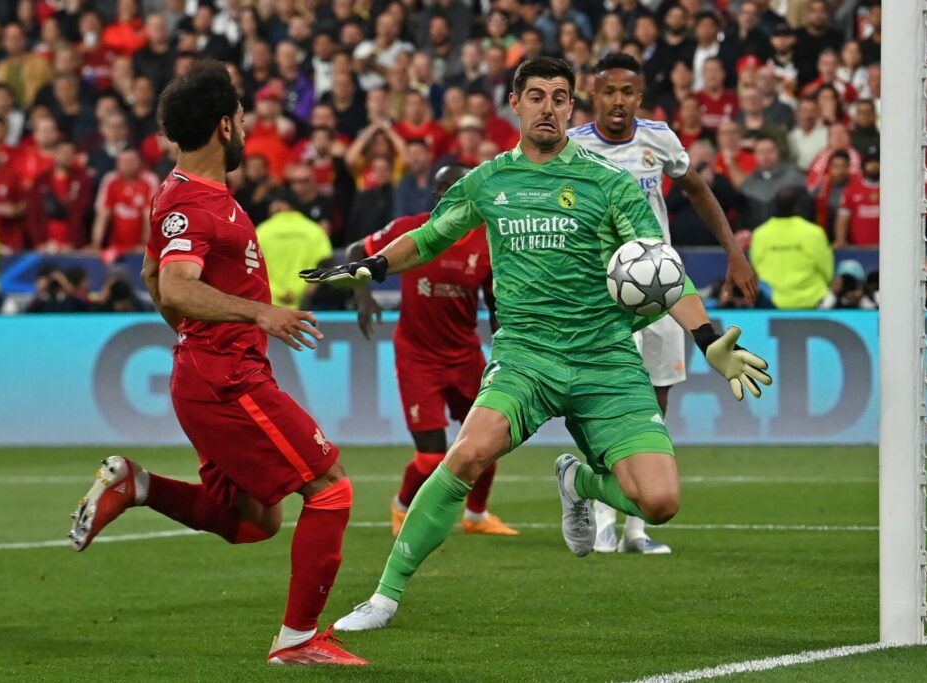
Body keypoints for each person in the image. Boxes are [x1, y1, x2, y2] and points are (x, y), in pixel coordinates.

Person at [301, 57, 772, 631]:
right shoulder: (488, 180)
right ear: (516, 104)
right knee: (465, 455)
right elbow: (427, 238)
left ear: (572, 107)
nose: (548, 107)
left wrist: (708, 340)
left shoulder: (609, 183)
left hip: (605, 358)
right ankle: (384, 597)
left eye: (559, 97)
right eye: (536, 96)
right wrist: (374, 266)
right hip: (525, 358)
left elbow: (661, 269)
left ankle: (579, 480)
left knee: (660, 503)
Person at [67, 61, 366, 667]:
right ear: (225, 125)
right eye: (243, 119)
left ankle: (138, 485)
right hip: (226, 378)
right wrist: (255, 315)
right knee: (330, 489)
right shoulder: (194, 202)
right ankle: (298, 641)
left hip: (211, 372)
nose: (248, 129)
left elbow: (152, 275)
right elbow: (176, 285)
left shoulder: (180, 193)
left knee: (255, 521)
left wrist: (192, 335)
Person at [567, 52, 758, 554]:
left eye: (627, 92)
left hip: (662, 290)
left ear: (640, 96)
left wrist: (733, 253)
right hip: (602, 296)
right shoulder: (573, 147)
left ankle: (635, 528)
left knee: (657, 399)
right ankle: (604, 515)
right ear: (594, 94)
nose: (618, 100)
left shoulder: (660, 139)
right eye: (609, 91)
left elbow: (698, 190)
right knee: (605, 402)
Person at [346, 165, 518, 537]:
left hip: (465, 354)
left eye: (458, 188)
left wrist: (507, 349)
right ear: (436, 194)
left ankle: (476, 516)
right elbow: (358, 250)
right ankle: (401, 506)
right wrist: (362, 294)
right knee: (430, 457)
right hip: (418, 357)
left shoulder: (487, 239)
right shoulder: (410, 229)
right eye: (443, 188)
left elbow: (495, 303)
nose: (449, 195)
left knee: (489, 441)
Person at [749, 186, 833, 310]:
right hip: (811, 301)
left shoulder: (759, 234)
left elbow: (754, 268)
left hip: (770, 303)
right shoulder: (814, 233)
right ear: (797, 207)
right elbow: (827, 271)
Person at [256, 189, 334, 308]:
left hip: (270, 303)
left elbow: (252, 266)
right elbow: (325, 263)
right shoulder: (314, 231)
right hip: (304, 302)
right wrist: (303, 290)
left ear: (278, 205)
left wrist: (278, 291)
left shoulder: (262, 231)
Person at [90, 148, 159, 254]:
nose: (128, 165)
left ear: (139, 162)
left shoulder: (149, 180)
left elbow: (150, 215)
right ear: (117, 163)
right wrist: (96, 244)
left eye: (131, 161)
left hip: (140, 248)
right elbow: (103, 214)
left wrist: (146, 245)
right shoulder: (110, 180)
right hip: (115, 247)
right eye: (124, 161)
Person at [833, 146, 880, 247]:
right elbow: (843, 218)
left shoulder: (891, 189)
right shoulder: (852, 189)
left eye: (877, 162)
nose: (874, 165)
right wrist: (840, 240)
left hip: (887, 250)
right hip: (858, 249)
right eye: (870, 162)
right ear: (863, 165)